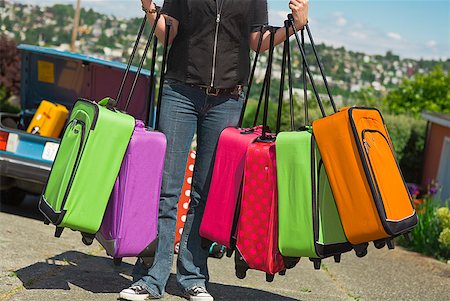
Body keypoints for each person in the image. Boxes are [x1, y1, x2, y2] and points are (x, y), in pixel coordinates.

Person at [120, 0, 308, 300]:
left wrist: (293, 27)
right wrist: (150, 9)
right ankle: (150, 277)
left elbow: (257, 41)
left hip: (227, 100)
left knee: (205, 193)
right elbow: (169, 34)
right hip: (180, 92)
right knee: (166, 188)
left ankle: (193, 276)